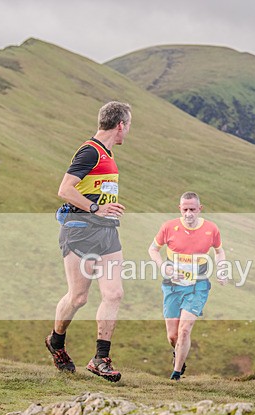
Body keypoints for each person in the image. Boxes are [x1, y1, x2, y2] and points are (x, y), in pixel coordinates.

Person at [45, 101, 132, 382]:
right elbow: (64, 189)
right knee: (78, 297)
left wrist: (105, 209)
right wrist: (95, 208)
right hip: (80, 229)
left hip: (107, 232)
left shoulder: (108, 153)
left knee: (114, 294)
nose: (127, 132)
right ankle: (56, 342)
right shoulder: (90, 151)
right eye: (128, 126)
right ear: (120, 125)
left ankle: (100, 359)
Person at [148, 192, 227, 381]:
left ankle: (175, 374)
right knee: (173, 336)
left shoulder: (211, 229)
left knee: (185, 329)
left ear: (200, 209)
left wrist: (221, 269)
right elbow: (153, 249)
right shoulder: (168, 227)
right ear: (180, 209)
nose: (189, 213)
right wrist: (163, 267)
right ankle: (179, 357)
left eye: (192, 209)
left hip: (197, 285)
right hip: (172, 285)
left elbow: (219, 251)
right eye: (185, 209)